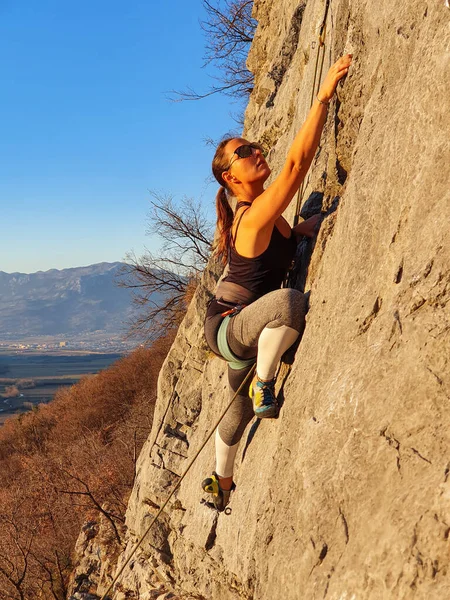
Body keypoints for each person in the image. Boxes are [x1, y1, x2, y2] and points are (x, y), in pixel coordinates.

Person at [202, 53, 353, 511]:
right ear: (231, 176)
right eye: (244, 152)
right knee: (290, 303)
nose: (257, 152)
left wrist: (309, 227)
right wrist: (323, 97)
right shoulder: (251, 218)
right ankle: (263, 379)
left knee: (236, 413)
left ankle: (220, 483)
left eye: (254, 145)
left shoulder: (270, 216)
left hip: (243, 327)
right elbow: (296, 167)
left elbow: (291, 232)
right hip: (231, 325)